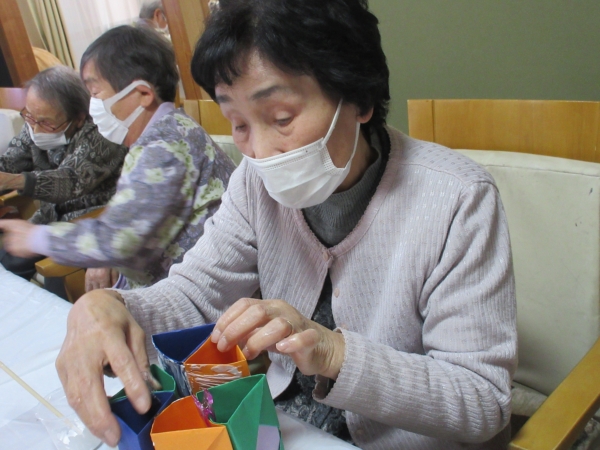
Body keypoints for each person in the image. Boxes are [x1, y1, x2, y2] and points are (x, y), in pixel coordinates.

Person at [50, 1, 517, 448]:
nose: (259, 151)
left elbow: (482, 400)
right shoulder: (254, 182)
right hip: (287, 425)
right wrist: (113, 308)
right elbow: (195, 294)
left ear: (358, 99)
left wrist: (331, 352)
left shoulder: (457, 199)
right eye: (238, 123)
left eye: (281, 117)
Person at [0, 25, 236, 291]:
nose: (92, 106)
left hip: (199, 289)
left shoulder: (164, 146)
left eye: (95, 93)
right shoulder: (166, 131)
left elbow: (120, 240)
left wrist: (36, 238)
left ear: (143, 94)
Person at [0, 65, 127, 282]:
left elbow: (70, 181)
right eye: (30, 116)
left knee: (16, 264)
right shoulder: (34, 122)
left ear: (78, 118)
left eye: (46, 123)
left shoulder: (103, 133)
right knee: (7, 255)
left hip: (91, 222)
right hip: (48, 218)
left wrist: (15, 181)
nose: (35, 129)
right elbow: (11, 160)